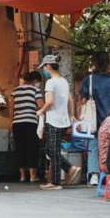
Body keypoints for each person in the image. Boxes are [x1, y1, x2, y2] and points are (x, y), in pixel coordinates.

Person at [36, 55, 81, 190]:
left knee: (53, 151)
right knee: (50, 150)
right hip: (63, 121)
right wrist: (71, 115)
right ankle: (69, 168)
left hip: (54, 121)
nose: (44, 69)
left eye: (44, 66)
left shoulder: (51, 82)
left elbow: (49, 102)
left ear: (49, 66)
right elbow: (70, 99)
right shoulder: (63, 81)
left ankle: (55, 182)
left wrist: (41, 111)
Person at [79, 52, 110, 187]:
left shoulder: (89, 80)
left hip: (94, 120)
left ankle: (94, 176)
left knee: (93, 147)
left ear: (95, 63)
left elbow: (84, 100)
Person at [10, 71, 44, 183]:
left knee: (20, 149)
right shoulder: (35, 90)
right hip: (30, 122)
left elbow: (11, 108)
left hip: (17, 123)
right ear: (35, 80)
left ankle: (22, 176)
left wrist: (12, 121)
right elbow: (41, 106)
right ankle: (33, 176)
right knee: (32, 148)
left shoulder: (15, 90)